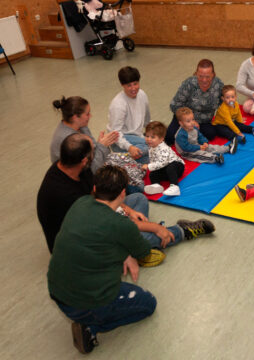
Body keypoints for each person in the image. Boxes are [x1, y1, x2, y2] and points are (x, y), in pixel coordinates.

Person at [38, 133, 214, 254]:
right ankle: (180, 232)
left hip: (96, 217)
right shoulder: (66, 195)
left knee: (138, 199)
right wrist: (154, 227)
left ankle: (134, 244)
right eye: (94, 151)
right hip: (81, 243)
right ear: (85, 160)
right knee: (141, 236)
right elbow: (109, 220)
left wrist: (128, 211)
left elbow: (103, 202)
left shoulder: (72, 166)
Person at [47, 165, 155, 354]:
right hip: (86, 302)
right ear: (123, 193)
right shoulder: (123, 226)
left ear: (95, 189)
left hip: (57, 291)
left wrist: (125, 253)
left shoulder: (80, 203)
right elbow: (144, 250)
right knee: (148, 304)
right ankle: (91, 328)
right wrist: (151, 232)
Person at [50, 96, 118, 173]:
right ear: (75, 117)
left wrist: (100, 145)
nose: (90, 116)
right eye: (87, 114)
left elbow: (93, 151)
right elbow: (91, 171)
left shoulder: (80, 125)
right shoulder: (70, 140)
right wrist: (102, 146)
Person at [166, 59, 223, 144]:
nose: (204, 80)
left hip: (203, 121)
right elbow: (174, 105)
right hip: (184, 118)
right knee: (170, 137)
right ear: (196, 74)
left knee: (211, 134)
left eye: (207, 77)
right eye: (200, 76)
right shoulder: (188, 84)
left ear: (213, 75)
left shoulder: (218, 85)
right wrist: (190, 120)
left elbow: (223, 102)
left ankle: (190, 138)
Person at [107, 66, 151, 164]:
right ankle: (122, 157)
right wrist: (130, 147)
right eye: (129, 85)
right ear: (122, 85)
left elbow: (147, 120)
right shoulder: (118, 104)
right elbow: (115, 134)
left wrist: (155, 133)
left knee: (156, 143)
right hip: (120, 140)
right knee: (151, 147)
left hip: (138, 138)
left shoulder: (142, 95)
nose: (133, 88)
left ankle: (128, 159)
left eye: (135, 84)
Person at [142, 121, 185, 196]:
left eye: (152, 137)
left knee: (170, 167)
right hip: (165, 169)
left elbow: (163, 162)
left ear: (161, 139)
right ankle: (156, 185)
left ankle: (175, 187)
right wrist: (151, 167)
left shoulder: (163, 148)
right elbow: (154, 161)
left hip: (177, 168)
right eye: (147, 136)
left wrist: (149, 166)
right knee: (152, 173)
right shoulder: (151, 147)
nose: (149, 139)